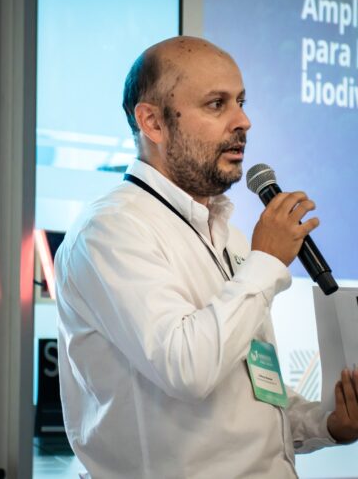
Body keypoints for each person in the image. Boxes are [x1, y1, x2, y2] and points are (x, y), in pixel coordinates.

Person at [55, 36, 358, 479]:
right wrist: (267, 262)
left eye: (241, 102)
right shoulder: (110, 231)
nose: (244, 121)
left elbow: (252, 398)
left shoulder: (230, 237)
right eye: (217, 104)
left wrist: (326, 424)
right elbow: (187, 369)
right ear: (153, 122)